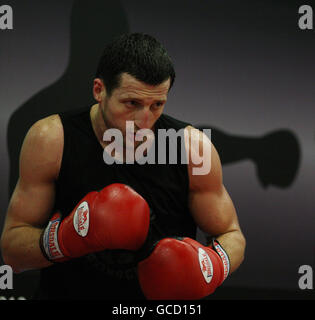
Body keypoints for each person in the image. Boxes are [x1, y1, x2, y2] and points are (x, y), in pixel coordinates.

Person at [0, 33, 246, 300]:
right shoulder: (52, 139)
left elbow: (231, 235)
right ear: (99, 90)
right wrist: (65, 239)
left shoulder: (191, 148)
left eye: (157, 105)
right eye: (132, 103)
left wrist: (213, 264)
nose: (144, 121)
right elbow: (13, 253)